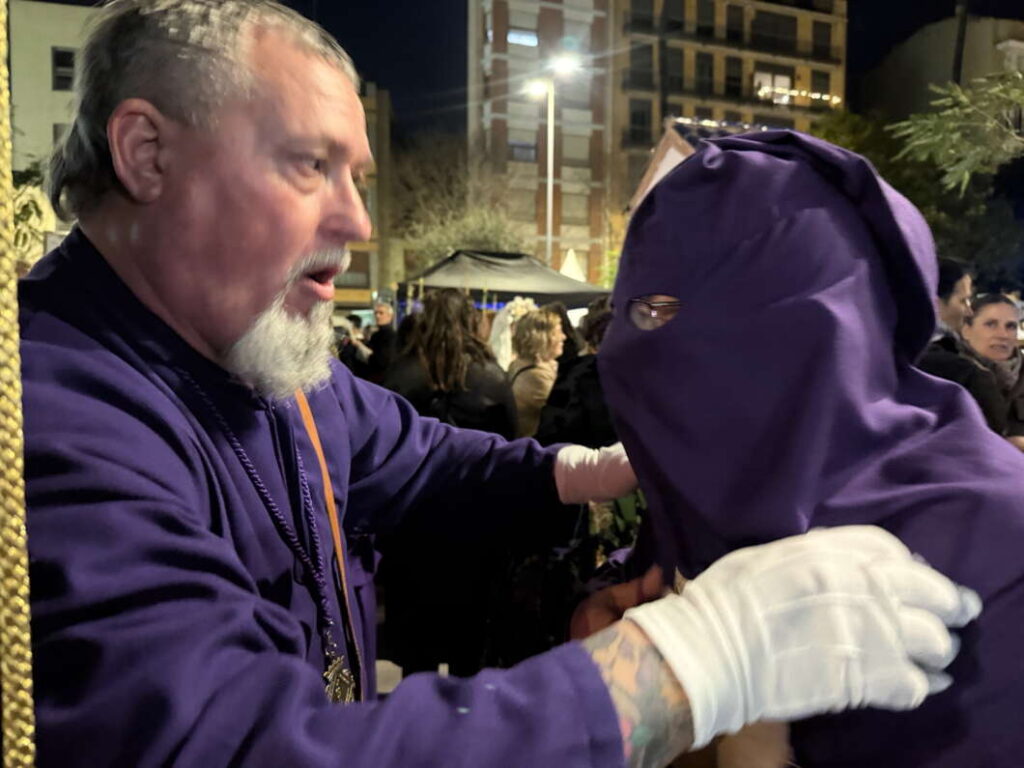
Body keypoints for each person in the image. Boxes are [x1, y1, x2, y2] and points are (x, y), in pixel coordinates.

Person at [22, 3, 977, 767]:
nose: (357, 219)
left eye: (355, 172)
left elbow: (414, 454)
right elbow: (233, 742)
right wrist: (688, 666)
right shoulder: (51, 420)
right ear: (147, 154)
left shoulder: (249, 343)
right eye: (309, 165)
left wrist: (588, 470)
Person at [593, 130, 1021, 767]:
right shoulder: (708, 490)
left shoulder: (997, 536)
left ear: (814, 316)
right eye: (642, 313)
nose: (636, 351)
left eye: (674, 312)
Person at [380, 288, 518, 675]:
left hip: (413, 518)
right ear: (471, 323)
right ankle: (465, 723)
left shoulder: (402, 373)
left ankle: (419, 725)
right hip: (475, 520)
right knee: (470, 643)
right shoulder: (490, 375)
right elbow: (512, 447)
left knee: (417, 648)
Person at [916, 259, 1006, 433]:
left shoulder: (876, 357)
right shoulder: (967, 375)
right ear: (935, 304)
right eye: (963, 301)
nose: (969, 311)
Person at [959, 293, 1024, 449]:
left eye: (1010, 326)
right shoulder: (950, 373)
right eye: (991, 324)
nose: (1003, 335)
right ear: (966, 330)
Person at [508, 309, 565, 437]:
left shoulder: (521, 364)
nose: (564, 337)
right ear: (543, 337)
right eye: (559, 332)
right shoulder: (535, 376)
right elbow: (565, 414)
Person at [364, 300, 397, 382]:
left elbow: (383, 360)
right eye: (376, 313)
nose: (377, 316)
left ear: (390, 316)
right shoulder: (375, 335)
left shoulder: (392, 336)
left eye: (381, 313)